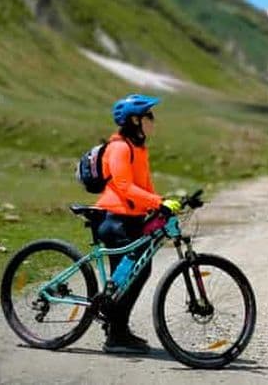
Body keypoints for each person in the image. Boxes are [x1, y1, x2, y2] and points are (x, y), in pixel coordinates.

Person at [96, 93, 181, 353]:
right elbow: (123, 186)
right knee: (132, 275)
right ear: (135, 120)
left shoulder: (138, 148)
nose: (153, 121)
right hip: (115, 220)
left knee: (134, 274)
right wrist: (158, 202)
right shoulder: (120, 147)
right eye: (149, 116)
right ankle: (116, 334)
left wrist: (162, 203)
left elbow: (144, 186)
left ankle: (117, 330)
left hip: (131, 218)